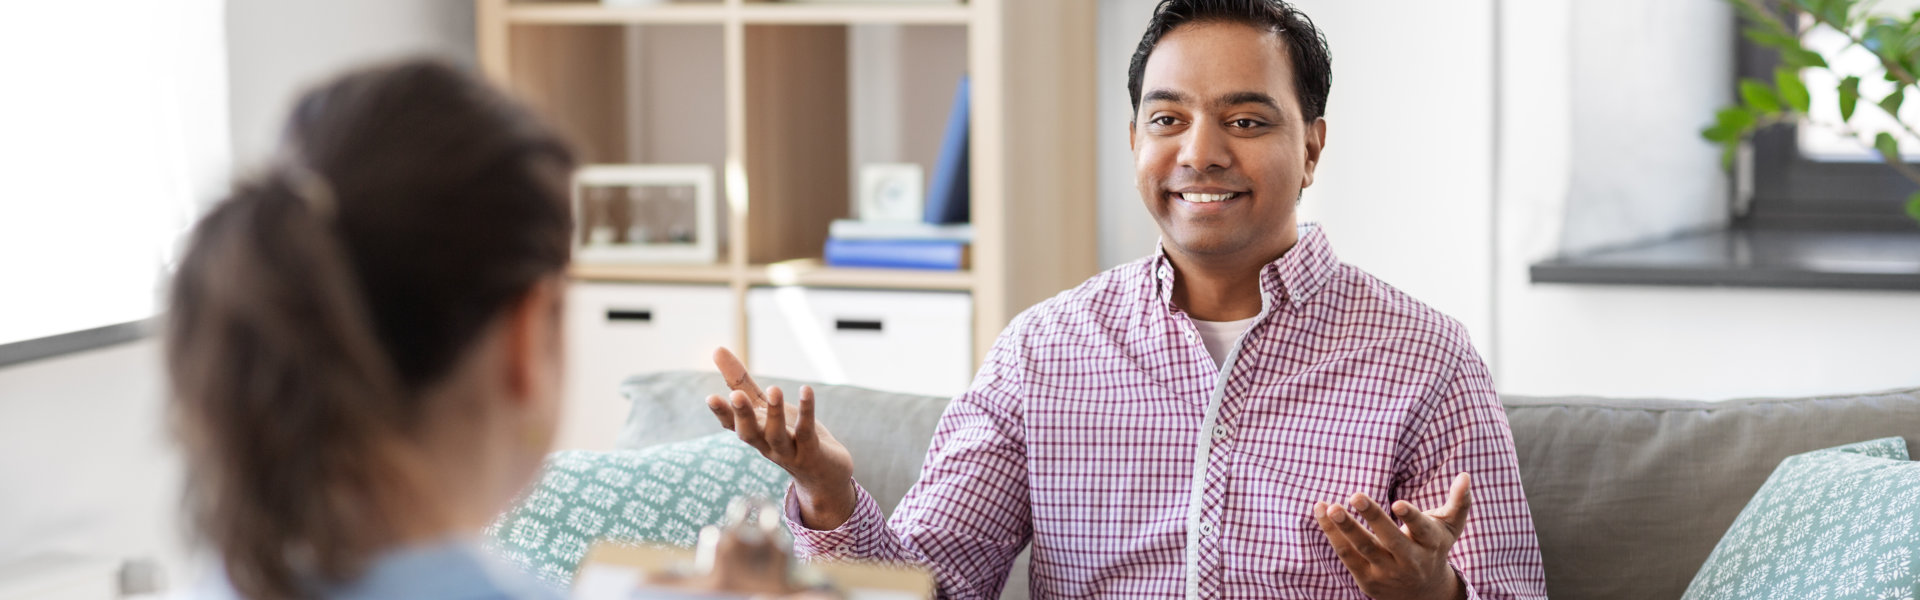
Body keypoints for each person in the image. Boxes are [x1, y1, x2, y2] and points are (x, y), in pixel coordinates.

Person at [703, 1, 1549, 599]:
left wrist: (1433, 593)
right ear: (1134, 139)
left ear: (1313, 145)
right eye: (1168, 118)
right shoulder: (1044, 351)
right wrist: (827, 494)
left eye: (1247, 122)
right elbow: (931, 588)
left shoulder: (1425, 357)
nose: (1202, 152)